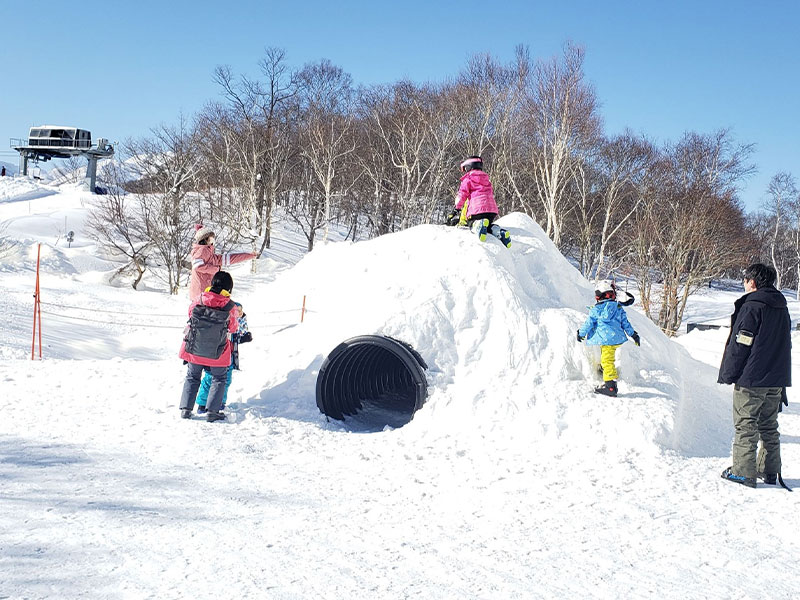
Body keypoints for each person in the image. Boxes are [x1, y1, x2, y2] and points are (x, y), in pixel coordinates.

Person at [718, 263, 791, 489]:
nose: (744, 284)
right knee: (769, 425)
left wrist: (729, 373)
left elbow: (742, 342)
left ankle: (743, 472)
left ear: (753, 282)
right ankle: (769, 471)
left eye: (745, 280)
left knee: (746, 424)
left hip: (752, 378)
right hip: (775, 378)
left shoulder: (753, 306)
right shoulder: (781, 306)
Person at [179, 271, 239, 422]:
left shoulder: (199, 298)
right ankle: (212, 412)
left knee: (192, 376)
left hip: (195, 348)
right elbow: (233, 328)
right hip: (217, 351)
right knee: (219, 378)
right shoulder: (230, 306)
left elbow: (190, 314)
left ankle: (186, 409)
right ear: (229, 287)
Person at [577, 280, 640, 397]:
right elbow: (626, 324)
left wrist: (581, 333)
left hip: (605, 339)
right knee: (607, 357)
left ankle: (610, 387)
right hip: (616, 339)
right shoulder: (618, 308)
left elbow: (588, 324)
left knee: (607, 360)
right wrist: (633, 335)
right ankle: (606, 372)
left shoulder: (596, 310)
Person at [196, 302, 252, 414]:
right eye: (237, 311)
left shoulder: (236, 323)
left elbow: (239, 333)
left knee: (226, 380)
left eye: (241, 311)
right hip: (215, 354)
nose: (239, 313)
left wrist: (244, 335)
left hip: (229, 357)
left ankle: (220, 402)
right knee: (209, 378)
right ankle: (202, 404)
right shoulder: (223, 321)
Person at [446, 156, 511, 248]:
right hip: (491, 211)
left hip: (477, 209)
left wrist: (457, 208)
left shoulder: (468, 179)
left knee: (471, 223)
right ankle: (499, 232)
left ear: (469, 167)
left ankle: (477, 224)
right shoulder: (486, 180)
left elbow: (462, 195)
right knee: (487, 226)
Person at [189, 224, 256, 303]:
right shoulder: (202, 250)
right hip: (201, 293)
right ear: (205, 239)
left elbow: (230, 259)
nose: (213, 239)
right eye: (211, 237)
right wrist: (216, 269)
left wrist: (249, 255)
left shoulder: (209, 252)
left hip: (204, 293)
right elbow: (197, 266)